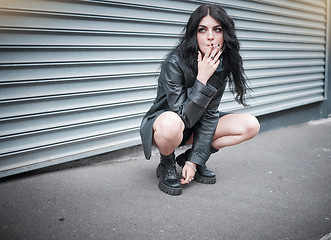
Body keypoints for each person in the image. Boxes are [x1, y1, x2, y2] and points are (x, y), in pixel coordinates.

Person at [139, 4, 260, 196]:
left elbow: (210, 115)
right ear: (194, 34)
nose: (210, 36)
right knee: (172, 123)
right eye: (202, 29)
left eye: (217, 29)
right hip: (165, 128)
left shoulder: (219, 64)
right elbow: (182, 117)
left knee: (250, 125)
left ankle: (193, 156)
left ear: (224, 34)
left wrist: (194, 161)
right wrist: (202, 79)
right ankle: (167, 163)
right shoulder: (174, 62)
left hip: (194, 126)